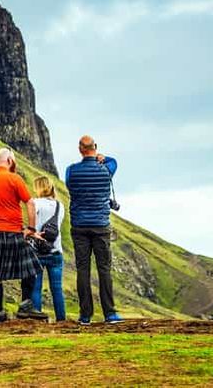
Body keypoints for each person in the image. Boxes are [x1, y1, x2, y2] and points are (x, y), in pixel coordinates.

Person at [0, 148, 47, 323]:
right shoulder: (14, 179)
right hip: (13, 232)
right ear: (9, 161)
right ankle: (25, 305)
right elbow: (29, 203)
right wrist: (31, 228)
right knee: (31, 268)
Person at [65, 135, 123, 325]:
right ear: (95, 147)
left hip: (80, 225)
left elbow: (69, 186)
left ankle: (85, 315)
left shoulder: (71, 171)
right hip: (100, 226)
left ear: (80, 149)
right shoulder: (106, 169)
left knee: (83, 270)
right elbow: (114, 161)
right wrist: (102, 157)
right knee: (104, 269)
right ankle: (110, 313)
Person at [30, 176, 66, 322]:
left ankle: (38, 320)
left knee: (36, 288)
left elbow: (32, 224)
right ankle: (61, 320)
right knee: (57, 288)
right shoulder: (60, 205)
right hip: (55, 250)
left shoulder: (34, 203)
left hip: (37, 250)